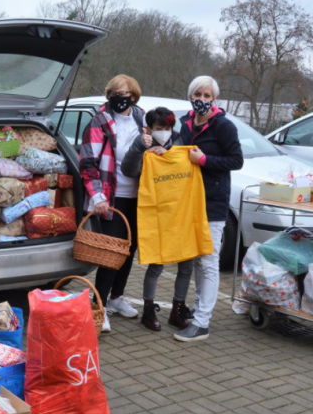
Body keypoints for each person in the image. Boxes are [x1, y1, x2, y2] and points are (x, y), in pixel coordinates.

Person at [174, 76, 243, 342]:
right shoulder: (185, 123)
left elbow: (236, 160)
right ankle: (198, 312)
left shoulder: (223, 126)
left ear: (215, 100)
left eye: (207, 96)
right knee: (197, 261)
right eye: (198, 94)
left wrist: (204, 160)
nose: (202, 99)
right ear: (190, 96)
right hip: (189, 201)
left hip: (213, 203)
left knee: (208, 261)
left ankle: (202, 322)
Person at [79, 74, 146, 333]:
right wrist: (98, 197)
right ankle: (99, 305)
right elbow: (88, 163)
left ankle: (117, 298)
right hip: (111, 198)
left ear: (134, 95)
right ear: (109, 95)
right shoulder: (99, 122)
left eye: (126, 92)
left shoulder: (142, 119)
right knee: (111, 253)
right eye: (116, 92)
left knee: (130, 249)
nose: (122, 97)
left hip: (139, 197)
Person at [120, 107, 194, 332]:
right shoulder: (142, 146)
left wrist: (170, 155)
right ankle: (149, 310)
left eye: (168, 128)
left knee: (186, 263)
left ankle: (178, 309)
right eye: (159, 129)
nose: (165, 132)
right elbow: (128, 170)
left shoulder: (181, 144)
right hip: (158, 214)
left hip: (181, 212)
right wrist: (143, 149)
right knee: (156, 264)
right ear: (148, 129)